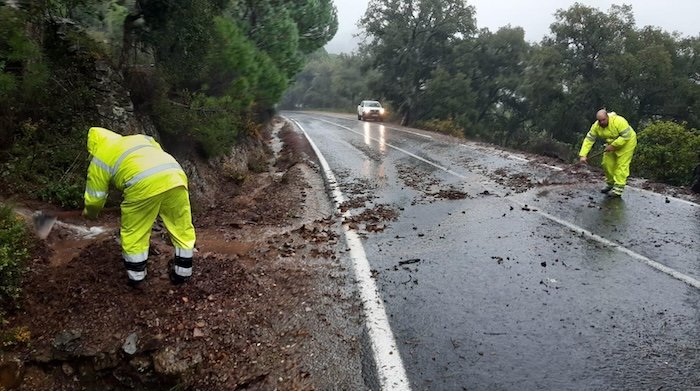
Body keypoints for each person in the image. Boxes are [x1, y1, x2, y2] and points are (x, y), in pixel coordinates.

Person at [83, 127, 196, 286]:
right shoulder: (141, 138)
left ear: (93, 146)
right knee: (181, 225)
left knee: (135, 232)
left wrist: (90, 213)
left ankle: (137, 278)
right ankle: (183, 273)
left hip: (142, 185)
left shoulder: (101, 156)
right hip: (175, 176)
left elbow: (95, 198)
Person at [579, 110, 637, 197]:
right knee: (607, 164)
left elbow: (626, 136)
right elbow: (589, 140)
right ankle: (610, 183)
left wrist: (614, 145)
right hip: (611, 145)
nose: (601, 122)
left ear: (607, 117)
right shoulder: (596, 126)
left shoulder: (619, 121)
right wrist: (583, 155)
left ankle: (618, 189)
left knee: (621, 165)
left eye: (603, 120)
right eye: (599, 121)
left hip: (627, 143)